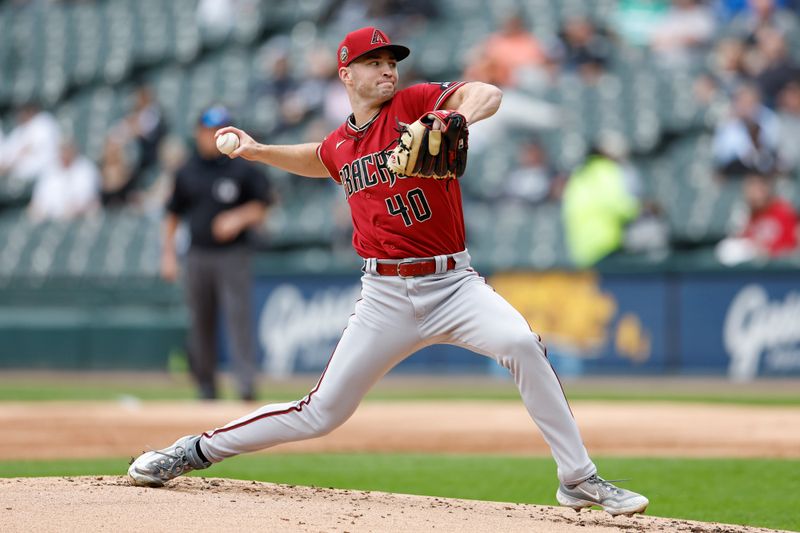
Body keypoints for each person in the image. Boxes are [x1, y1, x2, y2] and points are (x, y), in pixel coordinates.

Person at [129, 27, 649, 517]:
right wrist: (261, 151)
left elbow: (487, 93)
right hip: (384, 296)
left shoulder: (415, 104)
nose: (387, 71)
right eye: (372, 63)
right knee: (321, 413)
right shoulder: (341, 144)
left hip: (453, 284)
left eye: (390, 62)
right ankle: (192, 450)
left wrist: (453, 120)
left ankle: (577, 477)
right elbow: (320, 157)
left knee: (521, 344)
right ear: (346, 76)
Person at [160, 105, 272, 402]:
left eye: (220, 129)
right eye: (209, 130)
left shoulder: (243, 167)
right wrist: (168, 255)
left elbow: (263, 206)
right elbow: (172, 214)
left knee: (238, 320)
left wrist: (238, 217)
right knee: (201, 321)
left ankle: (245, 385)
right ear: (198, 134)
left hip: (233, 255)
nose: (214, 136)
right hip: (197, 254)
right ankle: (205, 385)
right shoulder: (187, 170)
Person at [562, 138, 641, 268]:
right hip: (606, 245)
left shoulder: (578, 175)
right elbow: (618, 204)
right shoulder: (606, 171)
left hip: (581, 251)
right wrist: (640, 209)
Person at [716, 172, 798, 264]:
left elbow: (792, 247)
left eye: (757, 188)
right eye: (750, 189)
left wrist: (768, 251)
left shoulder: (783, 211)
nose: (753, 194)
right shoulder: (749, 214)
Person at [27, 139, 100, 222]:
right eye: (62, 150)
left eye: (67, 150)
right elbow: (37, 202)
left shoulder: (86, 169)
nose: (64, 154)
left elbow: (87, 200)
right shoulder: (49, 170)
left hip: (79, 219)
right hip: (50, 219)